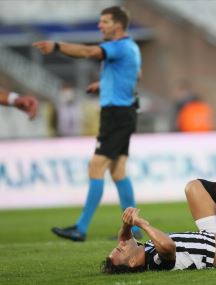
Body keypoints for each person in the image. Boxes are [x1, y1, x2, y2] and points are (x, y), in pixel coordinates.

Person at [32, 6, 142, 241]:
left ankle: (80, 228)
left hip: (116, 115)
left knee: (96, 167)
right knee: (118, 171)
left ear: (118, 25)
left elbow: (86, 51)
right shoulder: (132, 47)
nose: (99, 25)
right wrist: (104, 85)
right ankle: (134, 229)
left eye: (105, 21)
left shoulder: (117, 46)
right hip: (126, 113)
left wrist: (57, 46)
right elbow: (136, 74)